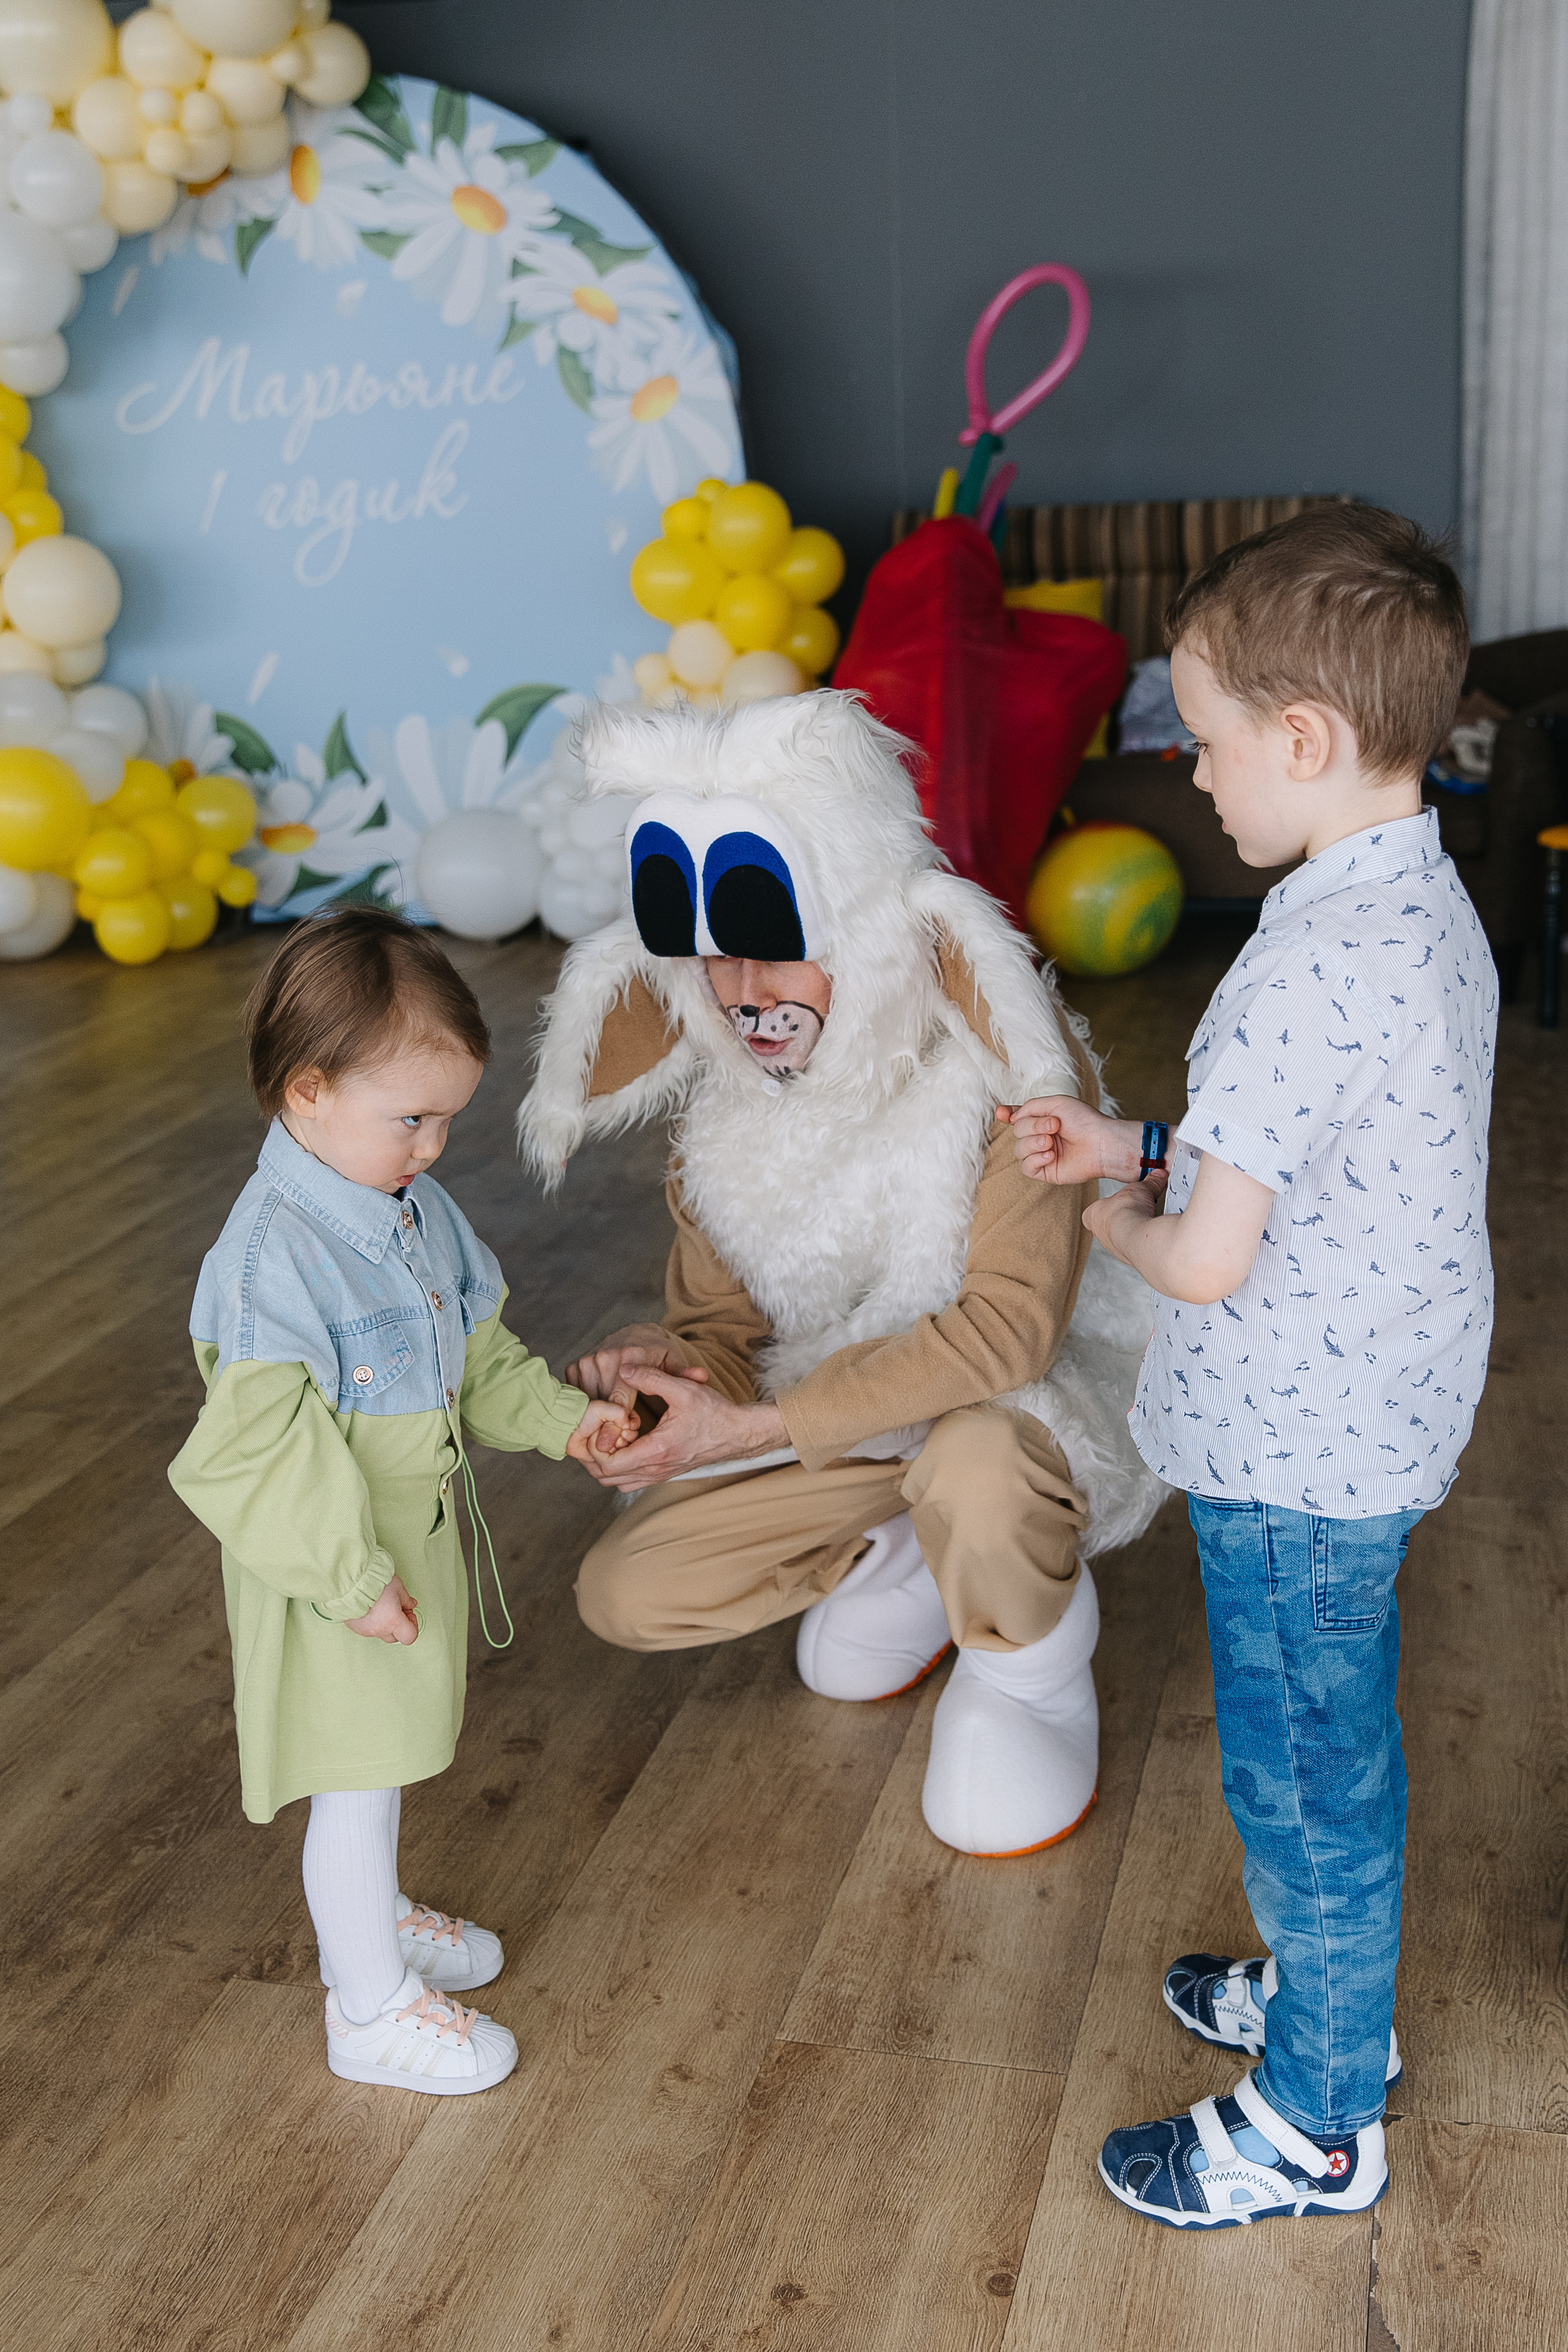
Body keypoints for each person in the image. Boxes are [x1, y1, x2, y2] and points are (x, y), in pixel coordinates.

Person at [1011, 505, 1496, 2225]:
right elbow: (1310, 1157)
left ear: (1303, 740)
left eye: (1204, 744)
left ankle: (1316, 2118)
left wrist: (1106, 1229)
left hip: (1299, 1453)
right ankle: (1330, 2011)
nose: (1193, 779)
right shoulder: (1421, 905)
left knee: (1304, 1779)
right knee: (1322, 1756)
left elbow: (1213, 1252)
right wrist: (1135, 1142)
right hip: (1370, 1416)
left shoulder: (1306, 964)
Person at [518, 690, 1164, 1859]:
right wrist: (677, 1370)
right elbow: (724, 1320)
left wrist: (756, 1425)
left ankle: (1030, 1664)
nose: (745, 989)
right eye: (714, 956)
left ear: (876, 934)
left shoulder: (1013, 1071)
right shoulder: (727, 1109)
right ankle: (908, 1547)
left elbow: (1010, 1337)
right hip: (848, 1417)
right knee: (628, 1589)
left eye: (781, 946)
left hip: (1016, 1411)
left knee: (973, 1453)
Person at [169, 909, 631, 2096]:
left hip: (398, 1542)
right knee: (357, 1778)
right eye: (408, 1119)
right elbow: (254, 1454)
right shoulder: (273, 1257)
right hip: (336, 1564)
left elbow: (472, 1352)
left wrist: (560, 1420)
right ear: (308, 1093)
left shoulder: (409, 1214)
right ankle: (366, 2005)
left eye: (444, 1120)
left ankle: (370, 1917)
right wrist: (349, 1580)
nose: (431, 1148)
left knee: (386, 1755)